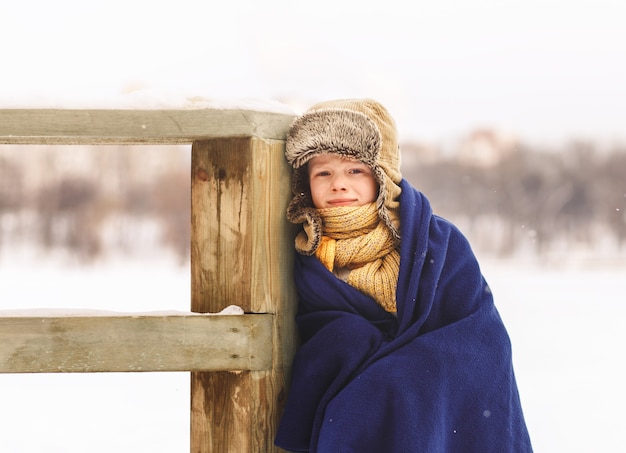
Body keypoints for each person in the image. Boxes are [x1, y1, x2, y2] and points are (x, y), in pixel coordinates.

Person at [274, 99, 532, 452]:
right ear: (306, 184)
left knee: (411, 382)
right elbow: (325, 339)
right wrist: (356, 343)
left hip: (432, 398)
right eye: (323, 173)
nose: (338, 184)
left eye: (355, 171)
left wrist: (399, 373)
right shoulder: (307, 255)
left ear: (383, 176)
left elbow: (481, 340)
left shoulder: (439, 244)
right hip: (357, 402)